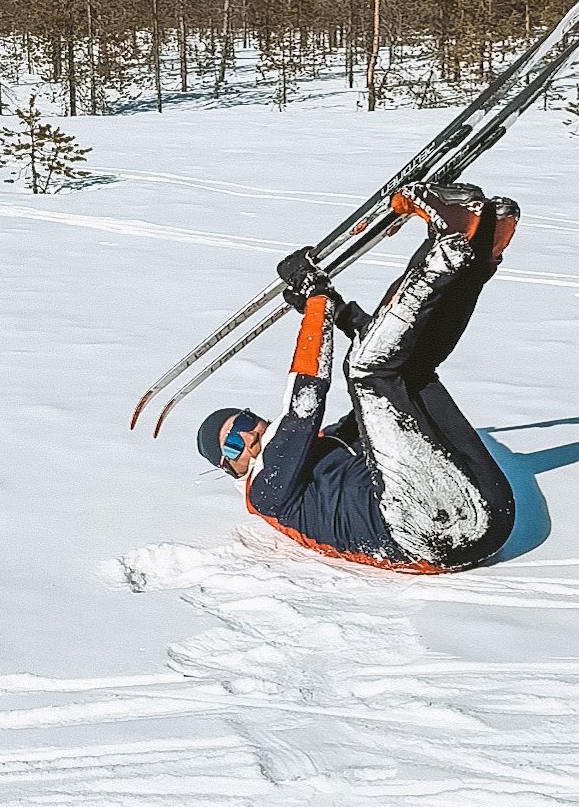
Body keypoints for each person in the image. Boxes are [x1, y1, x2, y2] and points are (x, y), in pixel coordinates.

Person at [196, 183, 519, 572]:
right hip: (423, 536)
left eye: (244, 423)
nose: (247, 438)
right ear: (229, 467)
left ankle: (475, 258)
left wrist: (338, 311)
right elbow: (305, 405)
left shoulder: (326, 443)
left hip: (487, 512)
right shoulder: (265, 490)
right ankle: (449, 248)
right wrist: (315, 304)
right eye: (232, 445)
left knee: (406, 374)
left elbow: (385, 373)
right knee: (367, 371)